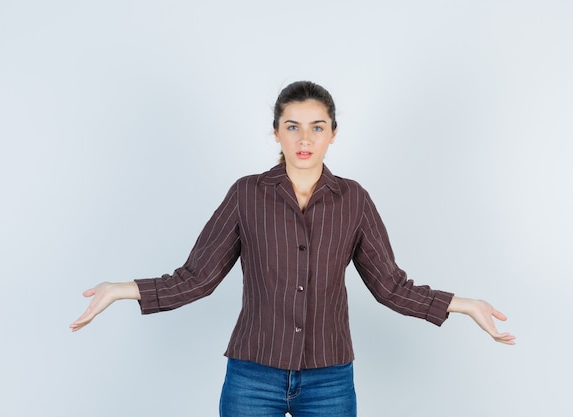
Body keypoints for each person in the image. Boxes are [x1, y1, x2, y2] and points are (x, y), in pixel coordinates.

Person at [70, 81, 515, 416]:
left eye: (317, 127)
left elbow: (390, 286)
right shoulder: (246, 194)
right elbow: (197, 278)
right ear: (276, 133)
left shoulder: (354, 200)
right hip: (252, 373)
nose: (305, 139)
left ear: (333, 134)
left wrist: (466, 305)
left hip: (330, 378)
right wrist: (119, 289)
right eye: (293, 127)